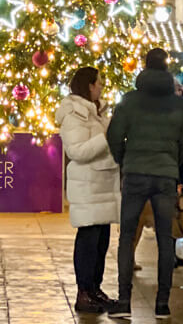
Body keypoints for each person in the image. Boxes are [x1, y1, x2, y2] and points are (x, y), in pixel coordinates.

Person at [106, 48, 183, 320]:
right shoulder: (181, 105)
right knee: (165, 238)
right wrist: (173, 162)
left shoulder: (129, 101)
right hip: (165, 177)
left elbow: (114, 135)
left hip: (134, 174)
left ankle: (123, 301)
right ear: (167, 69)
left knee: (126, 236)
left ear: (144, 67)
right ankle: (162, 304)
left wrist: (125, 160)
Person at [55, 66, 120, 314]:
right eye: (99, 83)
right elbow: (77, 151)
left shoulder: (95, 113)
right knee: (88, 242)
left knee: (100, 242)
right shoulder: (75, 115)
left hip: (101, 187)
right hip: (88, 187)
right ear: (88, 86)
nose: (102, 87)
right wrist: (106, 136)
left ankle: (95, 289)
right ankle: (84, 293)